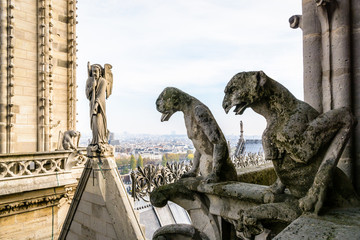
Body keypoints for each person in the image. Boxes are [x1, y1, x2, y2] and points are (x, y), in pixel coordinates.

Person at [85, 64, 109, 151]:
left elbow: (101, 95)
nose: (94, 73)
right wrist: (92, 87)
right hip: (92, 105)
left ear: (100, 72)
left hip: (100, 106)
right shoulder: (89, 80)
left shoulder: (103, 81)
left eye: (96, 71)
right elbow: (87, 95)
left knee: (99, 122)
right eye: (92, 71)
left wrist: (96, 105)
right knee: (94, 123)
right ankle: (95, 140)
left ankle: (100, 141)